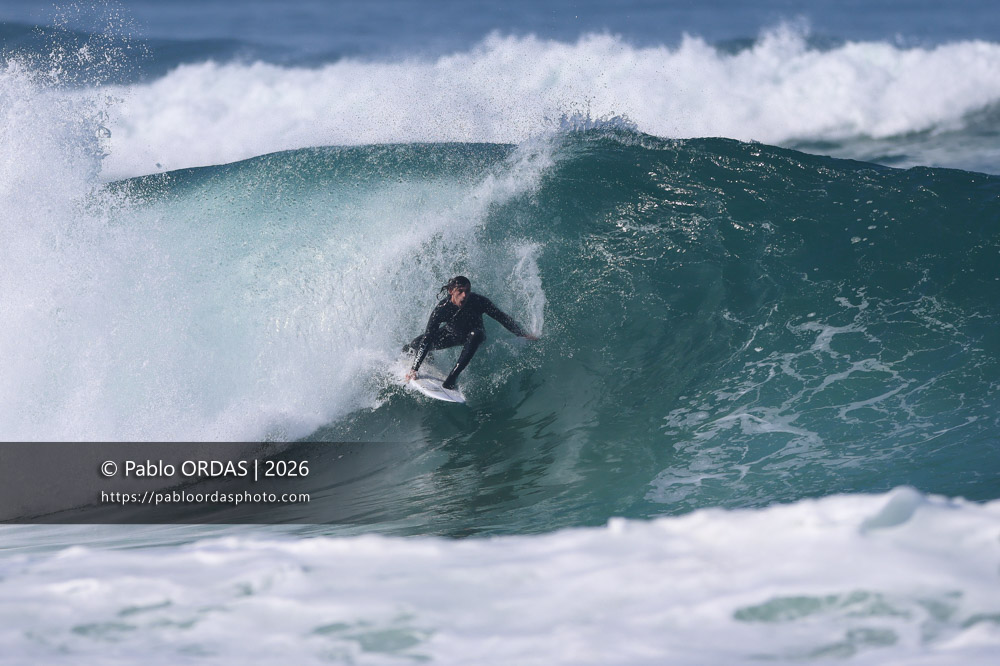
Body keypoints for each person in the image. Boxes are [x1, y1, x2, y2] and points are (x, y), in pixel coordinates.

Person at [404, 276, 538, 390]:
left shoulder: (478, 301)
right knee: (415, 344)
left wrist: (522, 334)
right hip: (451, 334)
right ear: (451, 291)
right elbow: (428, 337)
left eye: (467, 291)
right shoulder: (441, 309)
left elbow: (501, 317)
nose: (464, 295)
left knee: (475, 334)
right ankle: (425, 363)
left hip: (474, 337)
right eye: (460, 291)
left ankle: (451, 379)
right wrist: (414, 368)